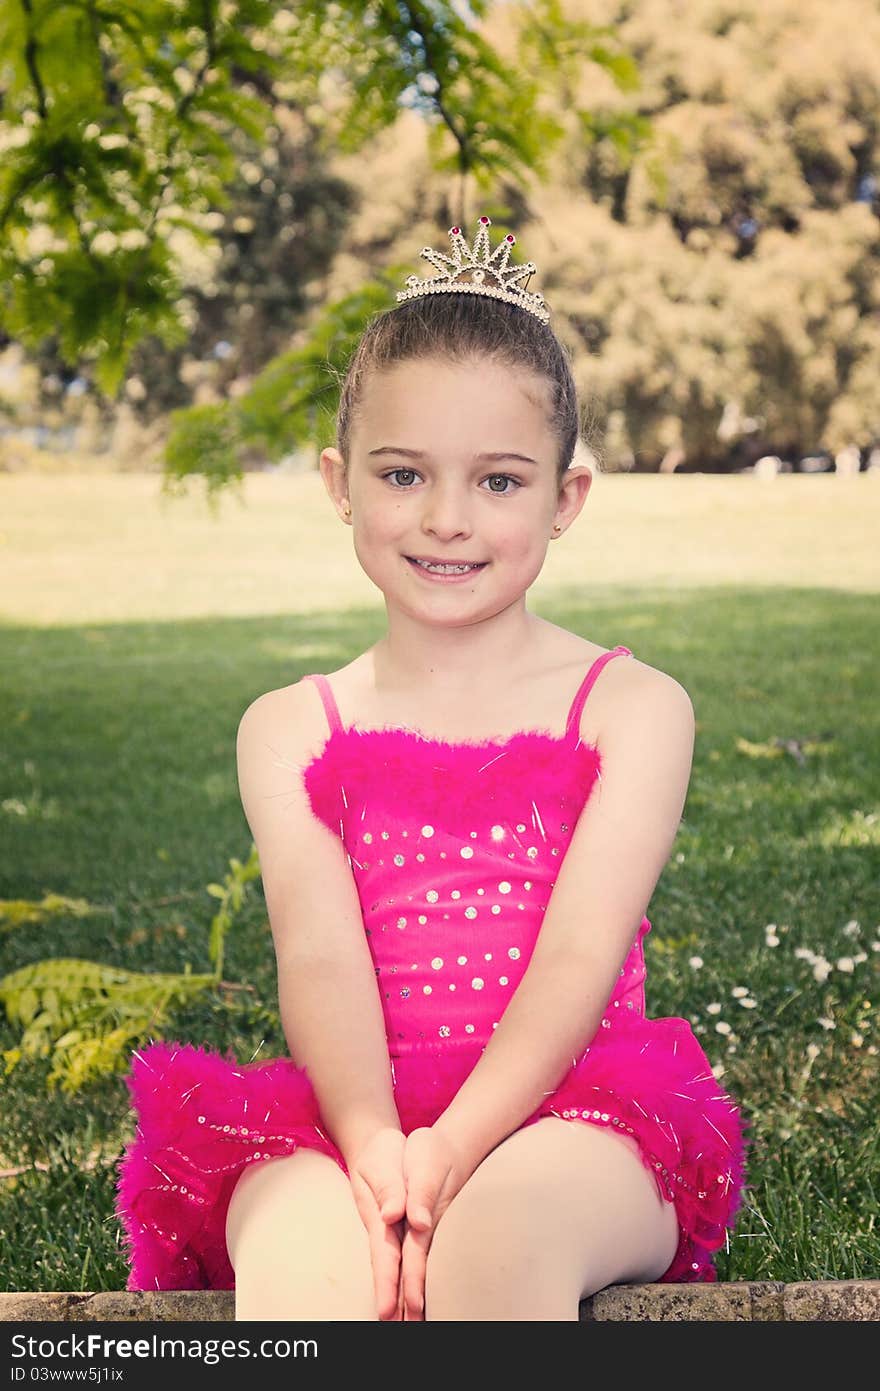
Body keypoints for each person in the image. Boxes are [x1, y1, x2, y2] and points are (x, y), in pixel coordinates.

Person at [116, 215, 747, 1321]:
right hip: (350, 1116)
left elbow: (576, 959)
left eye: (499, 482)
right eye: (403, 473)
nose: (447, 519)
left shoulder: (631, 709)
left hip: (581, 1116)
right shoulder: (290, 726)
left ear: (564, 498)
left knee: (494, 1250)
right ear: (340, 481)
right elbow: (317, 955)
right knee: (306, 1265)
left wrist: (455, 1149)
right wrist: (377, 1158)